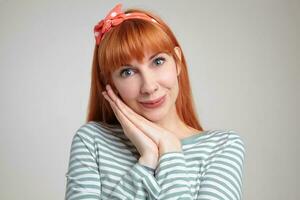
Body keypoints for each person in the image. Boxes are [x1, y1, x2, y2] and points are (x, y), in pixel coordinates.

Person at [65, 3, 245, 200]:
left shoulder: (222, 147)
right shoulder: (92, 141)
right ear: (111, 83)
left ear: (177, 61)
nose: (149, 87)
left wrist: (170, 150)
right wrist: (147, 161)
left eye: (158, 61)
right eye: (127, 72)